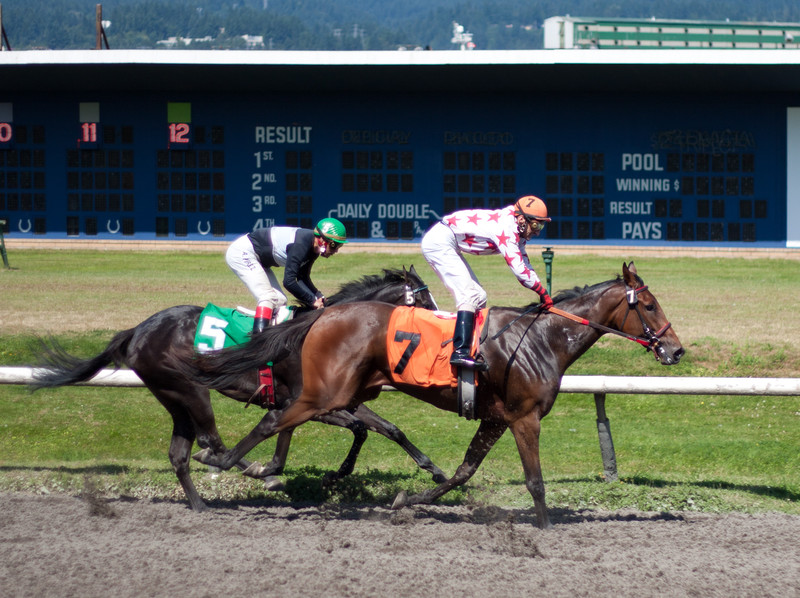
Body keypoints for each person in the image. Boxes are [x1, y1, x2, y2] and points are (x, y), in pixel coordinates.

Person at [421, 195, 553, 370]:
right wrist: (542, 293)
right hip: (439, 242)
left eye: (541, 225)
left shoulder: (517, 227)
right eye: (536, 225)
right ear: (522, 218)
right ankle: (459, 352)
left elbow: (524, 263)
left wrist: (541, 290)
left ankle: (474, 348)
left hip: (448, 240)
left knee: (480, 296)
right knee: (470, 295)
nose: (537, 231)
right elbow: (519, 270)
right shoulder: (506, 228)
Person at [226, 218, 348, 333]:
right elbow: (289, 281)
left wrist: (318, 295)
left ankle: (269, 334)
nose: (336, 250)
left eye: (339, 246)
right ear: (321, 240)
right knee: (268, 297)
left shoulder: (313, 247)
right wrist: (312, 300)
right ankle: (257, 340)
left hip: (258, 259)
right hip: (242, 253)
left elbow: (302, 277)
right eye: (334, 245)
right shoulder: (301, 245)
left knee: (280, 301)